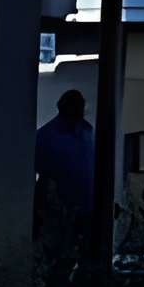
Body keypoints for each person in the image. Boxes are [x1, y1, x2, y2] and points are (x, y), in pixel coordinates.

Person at [34, 89, 95, 273]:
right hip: (57, 205)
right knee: (56, 253)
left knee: (76, 253)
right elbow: (42, 172)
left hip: (83, 204)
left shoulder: (86, 131)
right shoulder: (47, 136)